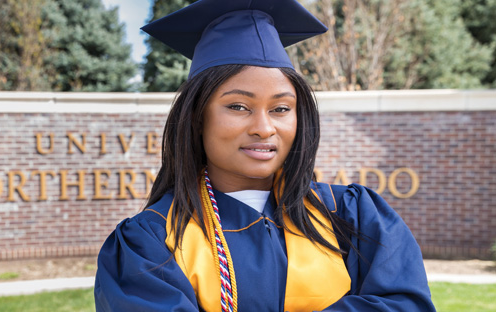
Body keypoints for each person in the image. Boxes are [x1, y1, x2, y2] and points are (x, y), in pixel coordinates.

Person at [94, 0, 436, 311]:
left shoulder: (352, 216)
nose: (264, 127)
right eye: (238, 106)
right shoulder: (152, 241)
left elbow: (405, 304)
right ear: (198, 118)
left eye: (281, 108)